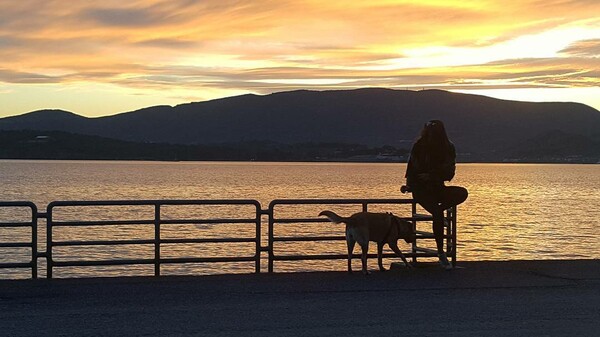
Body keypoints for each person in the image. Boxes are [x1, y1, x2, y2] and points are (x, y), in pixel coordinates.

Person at [404, 120, 468, 269]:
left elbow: (449, 172)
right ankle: (440, 252)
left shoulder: (448, 148)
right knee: (437, 212)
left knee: (462, 193)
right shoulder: (419, 147)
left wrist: (431, 176)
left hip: (437, 188)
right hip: (421, 190)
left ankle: (439, 211)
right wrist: (410, 185)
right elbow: (412, 169)